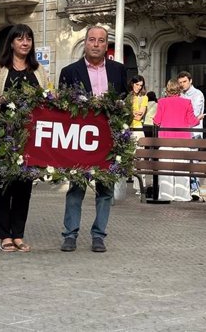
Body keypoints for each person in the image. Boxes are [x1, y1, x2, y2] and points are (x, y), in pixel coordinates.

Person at [58, 25, 127, 253]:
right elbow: (62, 109)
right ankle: (70, 234)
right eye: (91, 40)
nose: (96, 44)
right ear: (85, 43)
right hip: (80, 140)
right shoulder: (69, 71)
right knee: (76, 188)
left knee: (105, 190)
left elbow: (123, 103)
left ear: (106, 44)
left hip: (108, 141)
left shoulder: (118, 70)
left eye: (100, 40)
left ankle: (99, 235)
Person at [0, 24, 49, 252]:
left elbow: (46, 97)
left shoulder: (38, 69)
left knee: (24, 186)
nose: (25, 43)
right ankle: (4, 235)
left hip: (29, 136)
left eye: (28, 39)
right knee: (3, 185)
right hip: (4, 134)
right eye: (20, 39)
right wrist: (1, 99)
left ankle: (18, 234)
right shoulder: (0, 68)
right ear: (11, 42)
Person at [152, 79, 203, 201]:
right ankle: (182, 196)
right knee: (182, 171)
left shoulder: (162, 102)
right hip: (183, 141)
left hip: (165, 141)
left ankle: (165, 195)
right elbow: (192, 121)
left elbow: (157, 121)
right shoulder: (187, 102)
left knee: (165, 170)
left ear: (167, 89)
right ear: (179, 89)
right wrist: (199, 118)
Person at [177, 71, 205, 198]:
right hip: (183, 133)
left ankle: (194, 189)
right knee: (183, 160)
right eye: (180, 82)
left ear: (190, 81)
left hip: (194, 133)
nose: (182, 84)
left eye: (184, 82)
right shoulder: (180, 95)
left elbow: (193, 114)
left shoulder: (197, 94)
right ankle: (184, 188)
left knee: (193, 161)